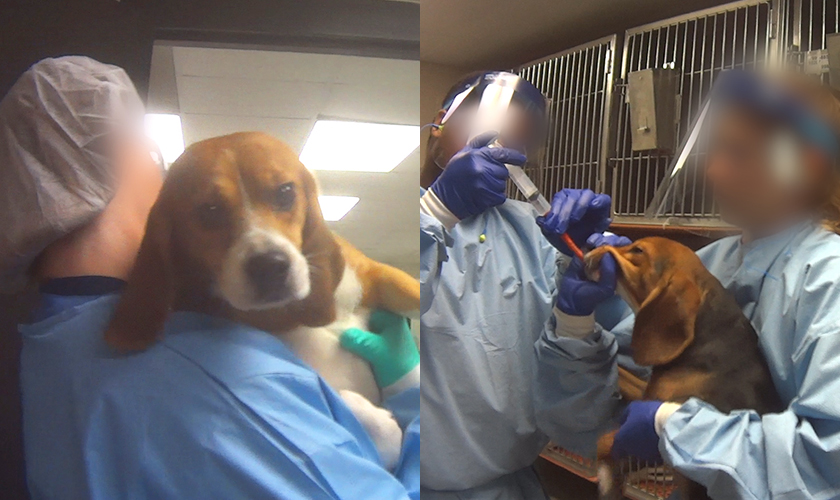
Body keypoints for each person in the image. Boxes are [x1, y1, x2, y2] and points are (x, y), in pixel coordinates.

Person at [1, 56, 420, 499]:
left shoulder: (42, 351)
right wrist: (412, 399)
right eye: (147, 148)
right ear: (115, 155)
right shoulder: (226, 379)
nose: (157, 167)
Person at [536, 70, 840, 499]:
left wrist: (673, 426)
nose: (713, 171)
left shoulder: (828, 280)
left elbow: (827, 464)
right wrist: (575, 322)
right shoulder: (708, 264)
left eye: (739, 153)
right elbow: (583, 420)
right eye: (717, 149)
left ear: (803, 164)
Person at [419, 71, 620, 499]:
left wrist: (576, 313)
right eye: (485, 133)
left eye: (517, 142)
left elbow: (578, 416)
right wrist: (436, 211)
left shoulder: (535, 235)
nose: (499, 152)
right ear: (441, 124)